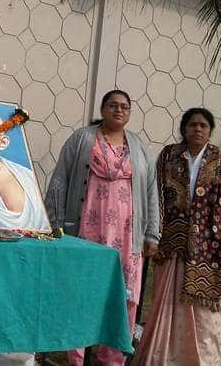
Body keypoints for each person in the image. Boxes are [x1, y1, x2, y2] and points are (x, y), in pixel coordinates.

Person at [45, 89, 161, 366]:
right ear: (103, 109)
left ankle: (112, 358)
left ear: (129, 113)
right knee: (80, 291)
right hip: (87, 232)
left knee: (125, 298)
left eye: (124, 106)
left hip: (127, 236)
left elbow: (150, 191)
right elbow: (60, 179)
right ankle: (75, 356)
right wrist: (55, 223)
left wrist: (152, 233)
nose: (119, 110)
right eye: (113, 105)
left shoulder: (139, 146)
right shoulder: (82, 139)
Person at [133, 107, 221, 366]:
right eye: (193, 125)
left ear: (210, 131)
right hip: (172, 245)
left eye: (203, 126)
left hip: (211, 249)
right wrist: (151, 236)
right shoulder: (168, 157)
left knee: (204, 315)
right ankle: (162, 358)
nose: (198, 129)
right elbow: (156, 197)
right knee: (168, 306)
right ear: (184, 129)